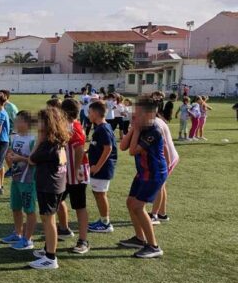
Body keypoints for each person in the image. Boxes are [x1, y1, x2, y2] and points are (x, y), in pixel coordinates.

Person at [118, 97, 168, 258]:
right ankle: (139, 238)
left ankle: (153, 246)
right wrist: (134, 128)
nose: (134, 116)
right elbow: (123, 146)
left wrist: (137, 130)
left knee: (138, 206)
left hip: (154, 174)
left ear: (150, 114)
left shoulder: (154, 131)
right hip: (142, 173)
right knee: (130, 202)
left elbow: (133, 151)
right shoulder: (139, 126)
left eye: (137, 113)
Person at [27, 107, 69, 270]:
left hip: (49, 186)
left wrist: (39, 139)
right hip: (56, 185)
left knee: (48, 219)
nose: (37, 124)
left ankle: (51, 257)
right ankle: (47, 249)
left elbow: (31, 159)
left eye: (40, 121)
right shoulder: (58, 140)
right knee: (47, 218)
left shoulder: (48, 144)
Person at [58, 98, 91, 254]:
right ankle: (63, 229)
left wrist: (76, 169)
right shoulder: (68, 125)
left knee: (79, 206)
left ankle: (83, 240)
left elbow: (79, 150)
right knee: (56, 201)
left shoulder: (73, 127)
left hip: (75, 174)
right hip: (66, 173)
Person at [3, 111, 38, 251]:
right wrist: (10, 155)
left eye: (18, 121)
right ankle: (17, 233)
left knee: (29, 210)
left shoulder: (33, 140)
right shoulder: (16, 137)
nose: (15, 123)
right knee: (16, 207)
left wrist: (20, 158)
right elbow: (12, 152)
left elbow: (34, 161)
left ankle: (28, 239)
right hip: (16, 178)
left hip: (28, 180)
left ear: (26, 123)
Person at [87, 100, 117, 233]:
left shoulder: (103, 128)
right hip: (98, 167)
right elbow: (98, 145)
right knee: (97, 193)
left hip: (102, 168)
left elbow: (108, 148)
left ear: (95, 113)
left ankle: (106, 223)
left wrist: (98, 166)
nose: (88, 114)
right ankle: (103, 220)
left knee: (100, 194)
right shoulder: (101, 127)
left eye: (89, 112)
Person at [149, 109, 179, 224]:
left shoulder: (154, 124)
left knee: (159, 186)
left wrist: (165, 165)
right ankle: (162, 214)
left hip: (167, 159)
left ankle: (155, 215)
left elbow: (165, 145)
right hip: (169, 157)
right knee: (162, 186)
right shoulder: (156, 121)